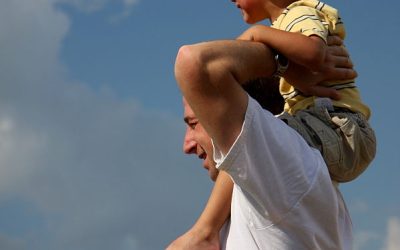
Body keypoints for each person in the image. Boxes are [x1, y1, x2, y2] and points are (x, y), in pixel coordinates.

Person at [167, 36, 356, 249]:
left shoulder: (284, 169)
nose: (187, 145)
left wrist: (285, 65)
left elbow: (196, 62)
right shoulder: (260, 192)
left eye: (193, 123)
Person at [234, 0, 376, 182]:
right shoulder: (283, 25)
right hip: (328, 128)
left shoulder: (298, 14)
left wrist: (256, 33)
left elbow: (313, 53)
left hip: (336, 125)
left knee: (252, 137)